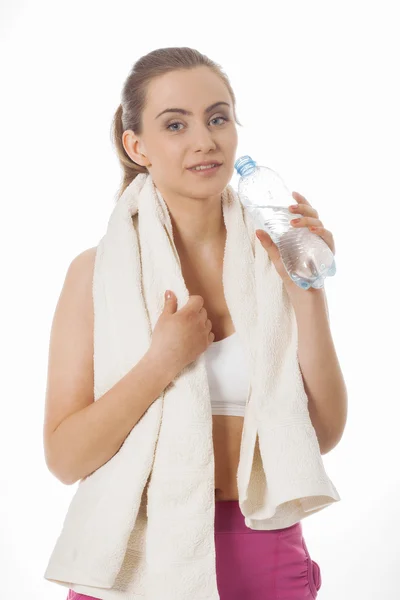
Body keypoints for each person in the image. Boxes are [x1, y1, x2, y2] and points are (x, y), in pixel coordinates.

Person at [44, 46, 346, 600]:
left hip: (263, 539)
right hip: (137, 554)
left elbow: (321, 436)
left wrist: (306, 289)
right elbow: (65, 459)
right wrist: (160, 362)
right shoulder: (94, 275)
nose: (204, 140)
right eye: (175, 124)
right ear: (137, 147)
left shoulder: (273, 257)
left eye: (218, 117)